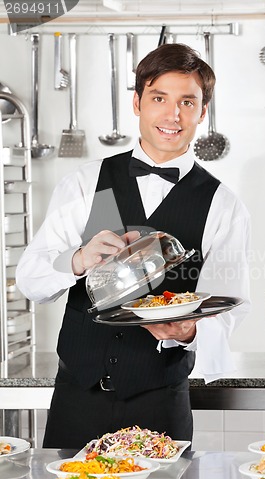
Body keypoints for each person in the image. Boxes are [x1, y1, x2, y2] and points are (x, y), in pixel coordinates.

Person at [16, 42, 251, 449]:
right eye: (160, 98)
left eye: (187, 102)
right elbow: (29, 279)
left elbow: (231, 305)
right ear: (137, 103)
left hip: (160, 402)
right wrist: (77, 259)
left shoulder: (223, 205)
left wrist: (190, 329)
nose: (173, 115)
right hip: (77, 398)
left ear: (202, 112)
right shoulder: (85, 183)